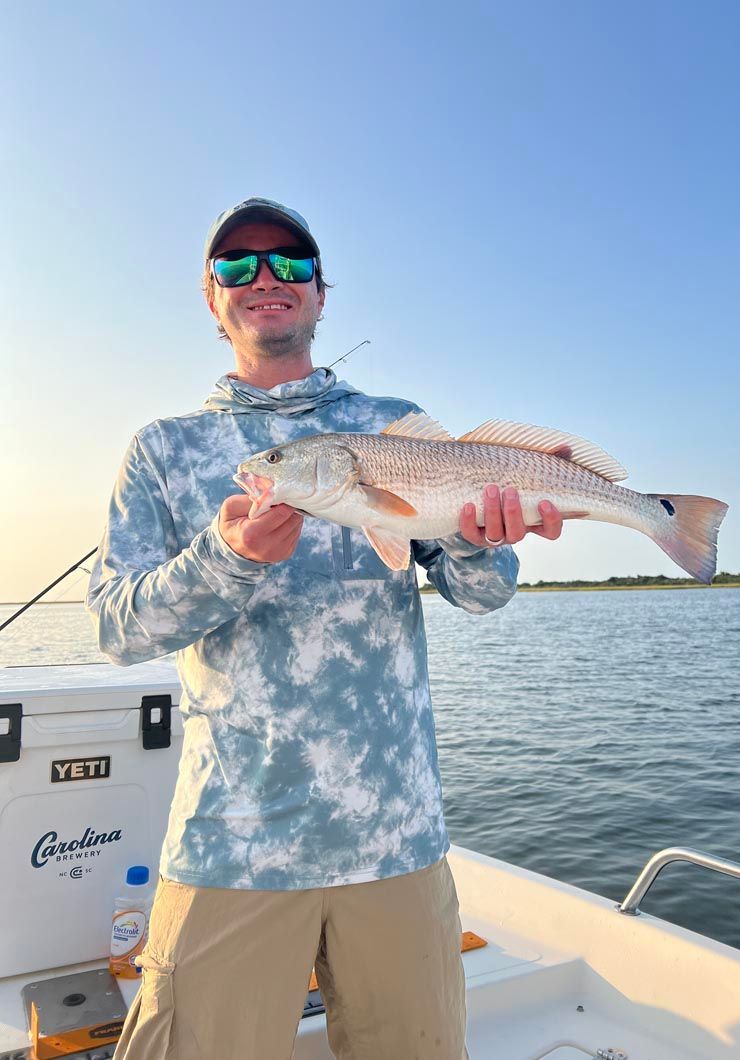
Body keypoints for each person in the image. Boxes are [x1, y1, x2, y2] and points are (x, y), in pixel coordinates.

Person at [86, 197, 563, 1060]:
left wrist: (475, 540)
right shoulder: (163, 447)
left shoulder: (391, 421)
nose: (264, 279)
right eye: (237, 266)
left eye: (289, 264)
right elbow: (118, 629)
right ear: (210, 297)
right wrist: (227, 556)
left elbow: (482, 594)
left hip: (396, 835)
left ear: (319, 293)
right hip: (232, 839)